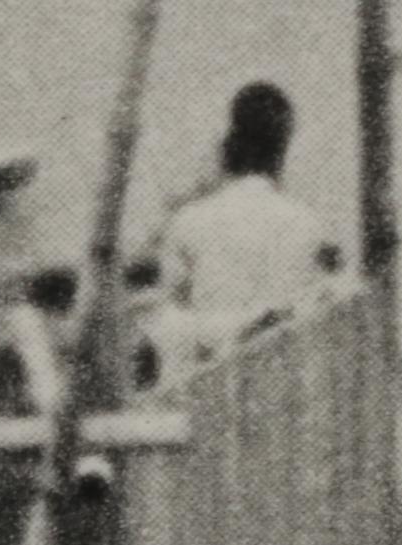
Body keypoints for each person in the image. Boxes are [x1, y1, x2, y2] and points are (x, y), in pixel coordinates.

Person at [139, 82, 342, 388]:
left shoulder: (189, 221)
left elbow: (163, 320)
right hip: (286, 388)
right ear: (284, 148)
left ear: (228, 146)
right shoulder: (311, 225)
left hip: (214, 386)